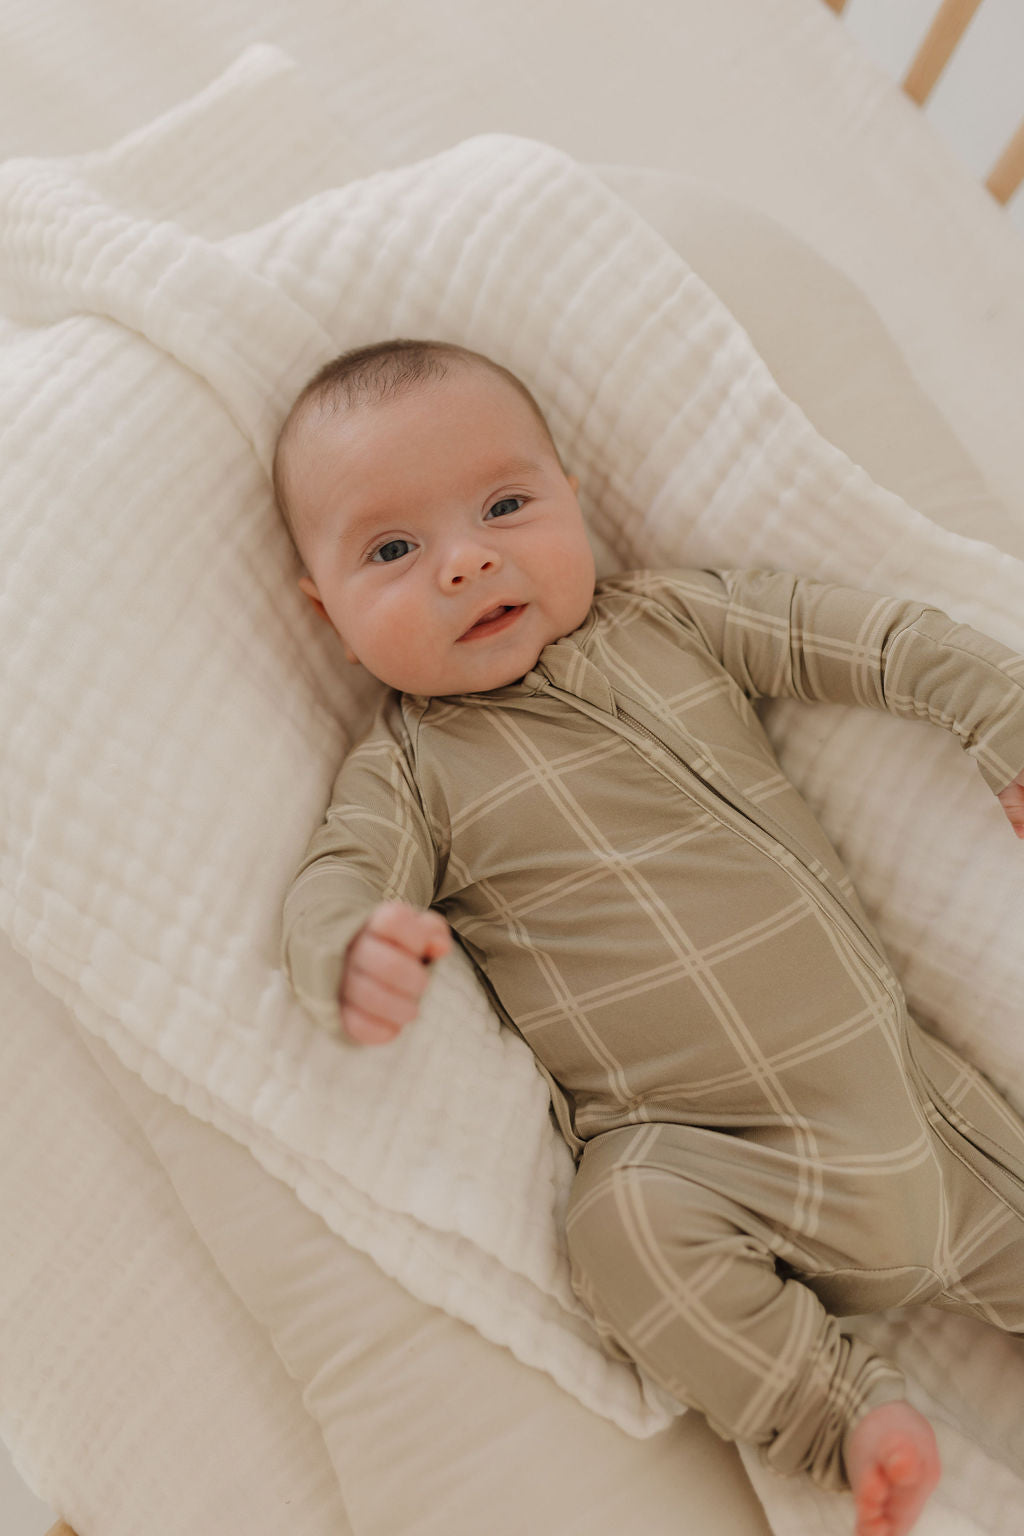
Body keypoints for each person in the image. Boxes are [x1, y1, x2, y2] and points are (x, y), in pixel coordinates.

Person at [273, 336, 1024, 1536]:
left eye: (506, 505)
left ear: (572, 497)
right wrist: (349, 949)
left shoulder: (672, 618)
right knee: (618, 1226)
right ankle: (842, 1416)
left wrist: (998, 713)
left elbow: (874, 638)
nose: (466, 561)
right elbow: (334, 881)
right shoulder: (411, 772)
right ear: (329, 615)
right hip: (719, 1167)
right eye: (392, 550)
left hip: (934, 1125)